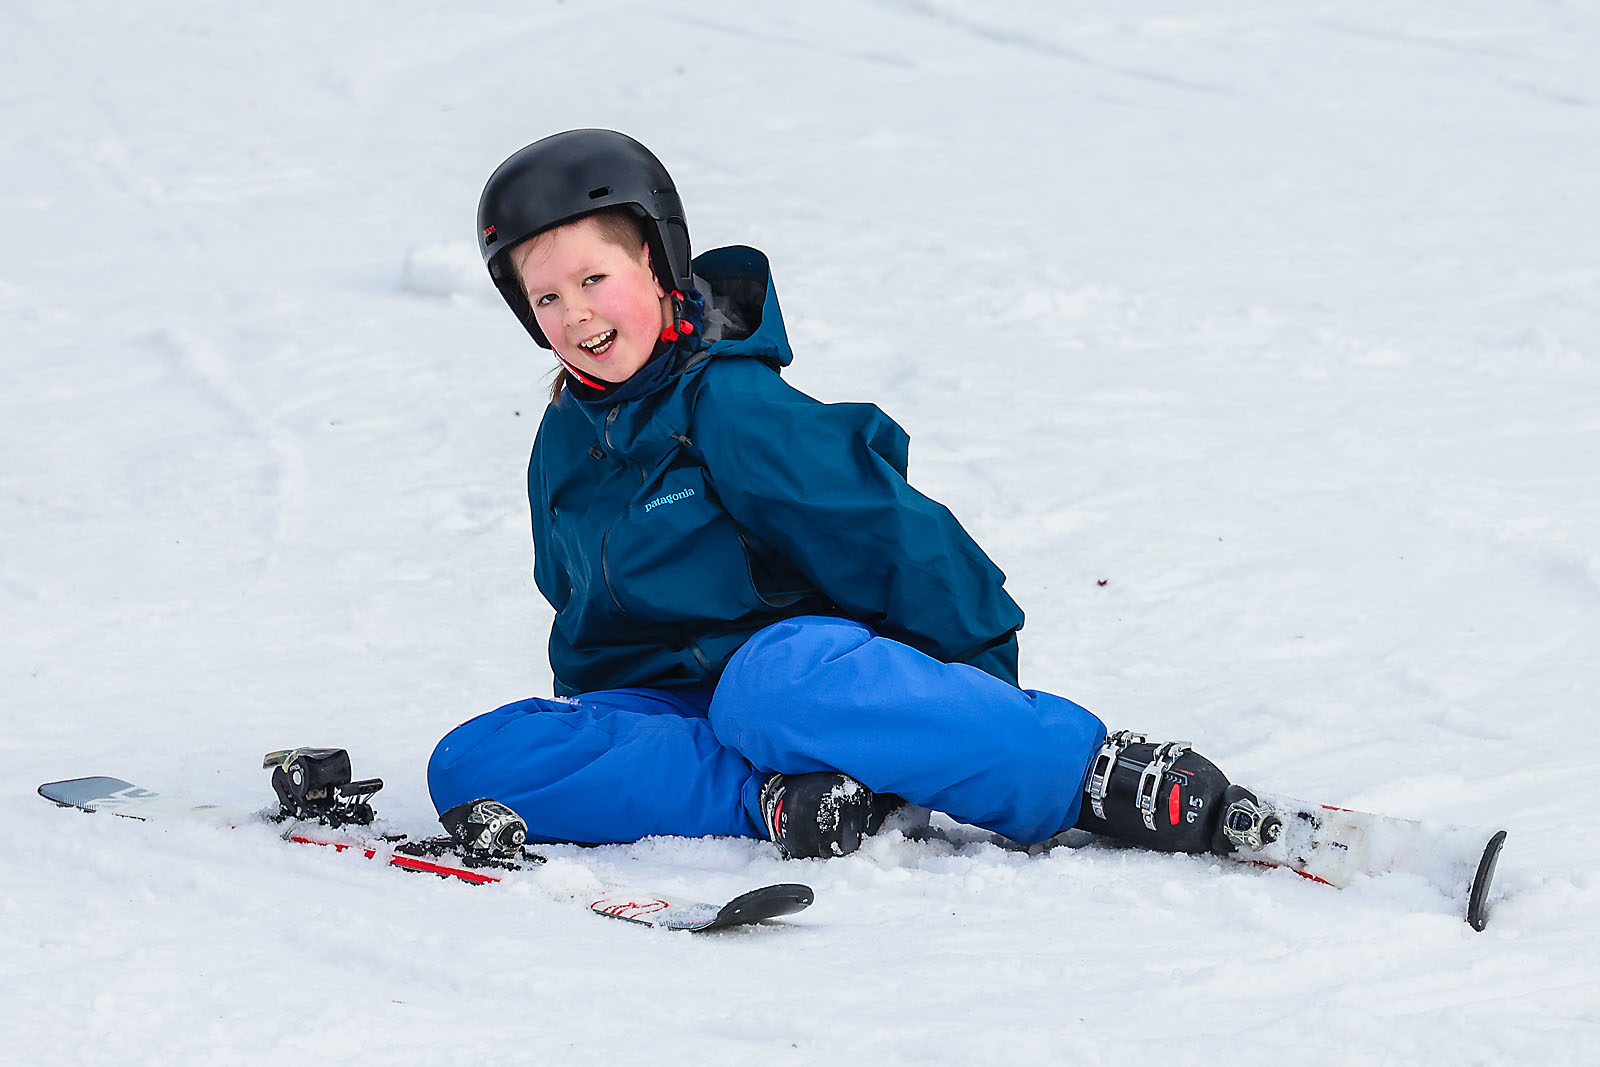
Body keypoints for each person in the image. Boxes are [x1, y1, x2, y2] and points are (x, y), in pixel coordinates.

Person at [427, 129, 1267, 861]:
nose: (575, 314)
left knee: (766, 687)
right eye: (547, 297)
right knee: (470, 761)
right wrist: (592, 737)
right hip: (675, 711)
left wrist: (972, 702)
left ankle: (1083, 772)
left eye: (593, 279)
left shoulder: (730, 406)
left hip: (806, 683)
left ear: (653, 260)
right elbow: (575, 605)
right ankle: (785, 798)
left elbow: (892, 534)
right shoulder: (563, 442)